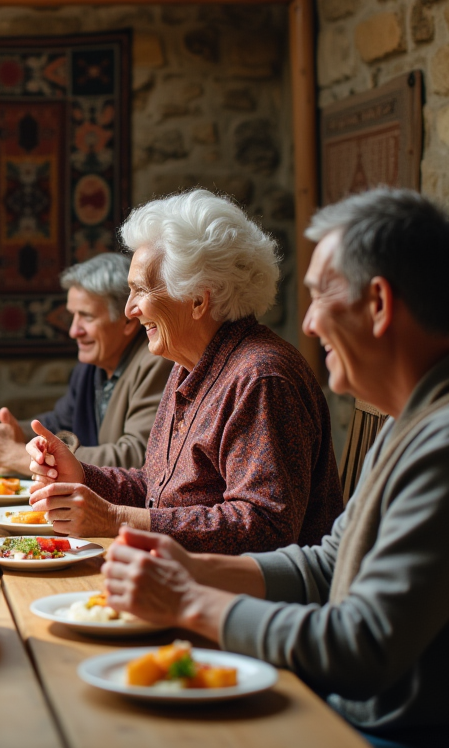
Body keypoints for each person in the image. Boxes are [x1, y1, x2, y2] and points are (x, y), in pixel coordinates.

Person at [101, 188, 449, 748]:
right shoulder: (409, 423)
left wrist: (189, 600)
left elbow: (363, 644)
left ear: (379, 304)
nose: (307, 324)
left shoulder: (438, 444)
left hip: (381, 730)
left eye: (321, 295)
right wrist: (191, 567)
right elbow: (328, 565)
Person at [26, 189, 342, 553]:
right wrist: (83, 475)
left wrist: (117, 519)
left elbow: (265, 526)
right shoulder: (188, 366)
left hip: (230, 588)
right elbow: (157, 490)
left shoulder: (261, 378)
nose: (129, 310)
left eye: (140, 290)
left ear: (197, 299)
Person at [0, 253, 171, 470]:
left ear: (127, 321)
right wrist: (15, 433)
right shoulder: (90, 367)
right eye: (72, 316)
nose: (73, 331)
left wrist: (17, 455)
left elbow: (136, 457)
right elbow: (60, 424)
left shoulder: (155, 362)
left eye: (87, 316)